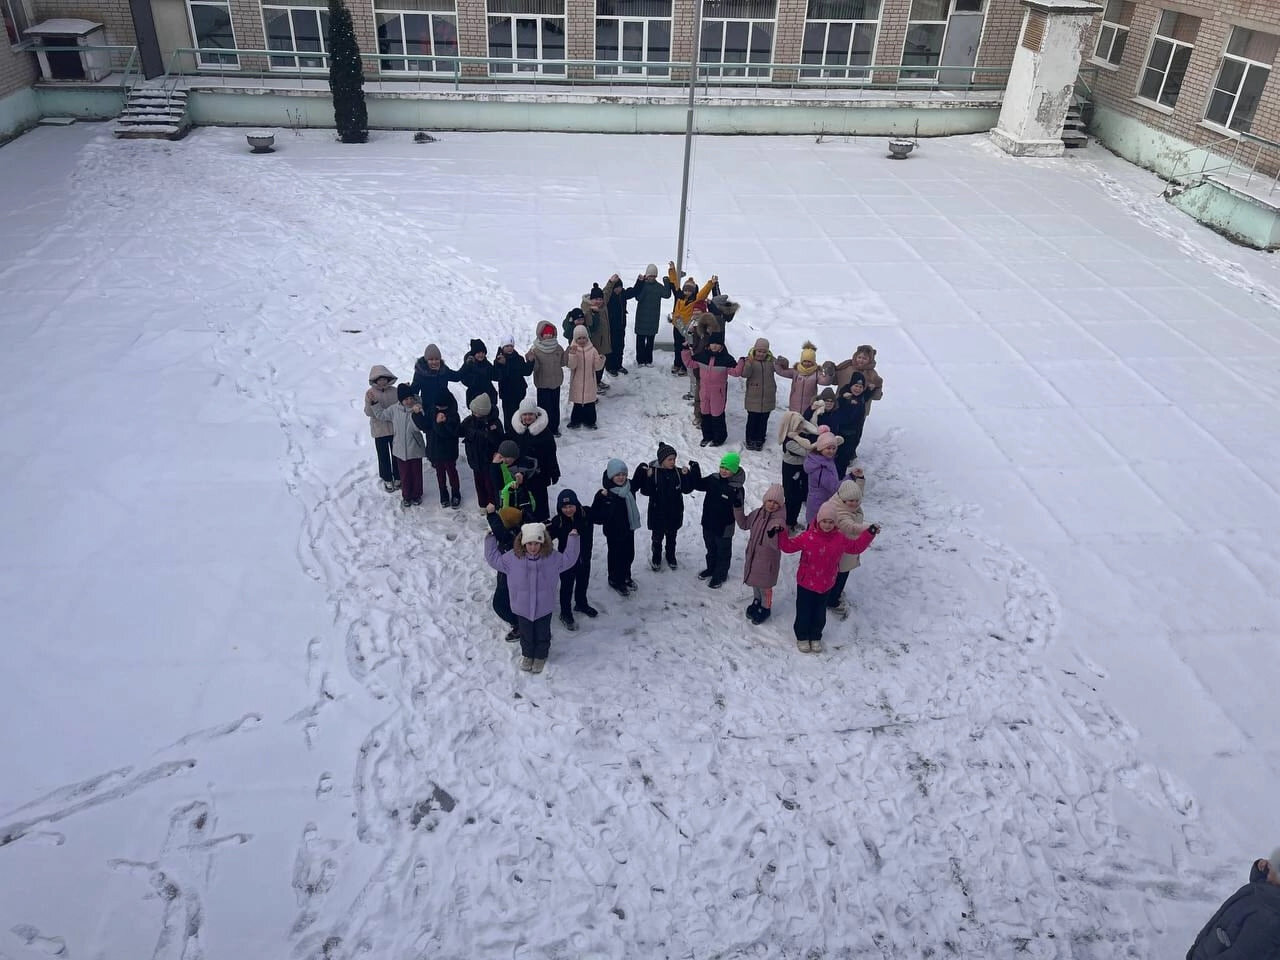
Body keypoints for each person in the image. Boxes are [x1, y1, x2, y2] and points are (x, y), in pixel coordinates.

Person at [776, 506, 879, 653]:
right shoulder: (808, 537)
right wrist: (781, 533)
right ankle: (802, 636)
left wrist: (869, 533)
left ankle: (816, 635)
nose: (827, 525)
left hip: (826, 584)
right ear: (818, 521)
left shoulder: (839, 539)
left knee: (819, 613)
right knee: (804, 612)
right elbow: (788, 547)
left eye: (831, 522)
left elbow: (856, 547)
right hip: (806, 583)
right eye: (824, 521)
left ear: (835, 523)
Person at [484, 520, 580, 674]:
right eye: (529, 543)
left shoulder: (552, 558)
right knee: (526, 635)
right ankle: (528, 655)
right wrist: (490, 539)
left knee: (543, 634)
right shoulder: (512, 558)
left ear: (543, 543)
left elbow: (569, 559)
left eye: (537, 543)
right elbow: (494, 560)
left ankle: (541, 656)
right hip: (522, 607)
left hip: (544, 607)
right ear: (523, 543)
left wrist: (574, 539)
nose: (533, 547)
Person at [1186, 851, 1280, 959]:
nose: (1269, 865)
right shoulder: (1267, 892)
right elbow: (1259, 886)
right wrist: (1262, 872)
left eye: (1274, 866)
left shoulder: (1270, 918)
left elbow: (1242, 955)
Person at [635, 441, 699, 571]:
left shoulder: (678, 473)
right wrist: (648, 478)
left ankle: (670, 556)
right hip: (657, 513)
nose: (673, 462)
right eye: (669, 459)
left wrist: (686, 476)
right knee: (657, 538)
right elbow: (646, 492)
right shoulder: (654, 472)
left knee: (672, 538)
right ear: (661, 460)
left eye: (674, 459)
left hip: (674, 513)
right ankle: (656, 557)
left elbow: (687, 489)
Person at [692, 451, 746, 589]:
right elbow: (698, 484)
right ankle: (711, 569)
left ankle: (720, 575)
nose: (723, 470)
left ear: (734, 470)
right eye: (722, 466)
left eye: (727, 468)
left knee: (723, 552)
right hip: (708, 523)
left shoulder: (736, 489)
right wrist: (695, 469)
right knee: (710, 548)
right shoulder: (713, 479)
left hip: (724, 527)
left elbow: (738, 509)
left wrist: (738, 504)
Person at [546, 489, 598, 631]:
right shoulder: (558, 521)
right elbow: (546, 538)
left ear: (576, 504)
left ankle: (581, 603)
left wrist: (600, 495)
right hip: (567, 562)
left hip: (584, 558)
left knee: (583, 582)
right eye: (564, 507)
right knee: (566, 587)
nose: (568, 510)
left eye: (571, 506)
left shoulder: (586, 514)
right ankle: (565, 613)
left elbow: (601, 515)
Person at [591, 458, 644, 596]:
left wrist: (643, 468)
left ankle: (626, 576)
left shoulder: (629, 486)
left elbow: (639, 480)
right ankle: (615, 580)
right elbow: (595, 515)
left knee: (629, 554)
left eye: (623, 474)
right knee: (616, 557)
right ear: (611, 476)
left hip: (628, 528)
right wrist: (602, 499)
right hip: (613, 532)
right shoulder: (606, 493)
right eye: (617, 475)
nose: (621, 478)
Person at [735, 484, 785, 625]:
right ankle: (756, 600)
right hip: (754, 556)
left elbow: (776, 544)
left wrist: (775, 533)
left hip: (768, 562)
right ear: (764, 500)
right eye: (770, 501)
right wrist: (738, 508)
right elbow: (744, 524)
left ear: (780, 505)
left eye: (776, 503)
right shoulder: (757, 513)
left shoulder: (779, 522)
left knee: (765, 587)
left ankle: (766, 607)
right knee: (755, 583)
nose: (772, 505)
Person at [373, 384, 429, 508]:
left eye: (411, 398)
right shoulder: (394, 409)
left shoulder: (417, 409)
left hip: (415, 448)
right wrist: (374, 404)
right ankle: (406, 496)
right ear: (400, 400)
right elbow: (381, 415)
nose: (409, 401)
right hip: (400, 449)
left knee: (416, 473)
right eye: (405, 399)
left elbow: (422, 425)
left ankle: (417, 494)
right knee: (404, 474)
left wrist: (418, 411)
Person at [823, 472, 867, 619]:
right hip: (842, 554)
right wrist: (868, 529)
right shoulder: (839, 512)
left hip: (848, 548)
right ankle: (832, 600)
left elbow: (857, 493)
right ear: (842, 499)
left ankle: (833, 593)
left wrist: (859, 479)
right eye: (851, 501)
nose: (854, 503)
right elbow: (850, 526)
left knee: (840, 575)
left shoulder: (844, 499)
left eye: (856, 501)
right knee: (840, 575)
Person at [511, 397, 558, 523]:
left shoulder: (545, 433)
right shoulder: (516, 431)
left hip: (539, 473)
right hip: (521, 472)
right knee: (523, 496)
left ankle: (542, 519)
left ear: (536, 415)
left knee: (540, 497)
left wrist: (554, 471)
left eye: (530, 414)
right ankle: (526, 518)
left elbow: (551, 454)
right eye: (525, 414)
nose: (527, 417)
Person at [687, 331, 736, 447]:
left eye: (717, 344)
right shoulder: (702, 356)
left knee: (717, 415)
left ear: (722, 346)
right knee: (705, 414)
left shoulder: (726, 359)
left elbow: (735, 372)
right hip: (704, 392)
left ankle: (719, 438)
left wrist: (742, 363)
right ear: (708, 345)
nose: (714, 346)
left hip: (718, 394)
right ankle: (707, 436)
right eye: (712, 343)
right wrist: (685, 351)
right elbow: (690, 363)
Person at [665, 261, 715, 375]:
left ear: (693, 291)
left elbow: (703, 293)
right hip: (677, 326)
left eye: (689, 290)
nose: (687, 292)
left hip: (687, 328)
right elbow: (674, 283)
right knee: (677, 346)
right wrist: (672, 270)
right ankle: (677, 363)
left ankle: (684, 366)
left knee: (686, 348)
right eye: (685, 289)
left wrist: (710, 283)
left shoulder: (695, 299)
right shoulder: (679, 296)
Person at [484, 504, 525, 643]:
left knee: (499, 604)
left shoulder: (510, 538)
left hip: (508, 578)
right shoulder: (522, 532)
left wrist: (491, 515)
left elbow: (500, 531)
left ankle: (520, 625)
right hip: (511, 577)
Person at [460, 394, 505, 510]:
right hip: (475, 458)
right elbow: (460, 430)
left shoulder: (494, 423)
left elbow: (499, 439)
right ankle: (482, 504)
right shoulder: (470, 420)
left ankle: (493, 503)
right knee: (479, 483)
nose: (473, 413)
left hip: (488, 460)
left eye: (475, 412)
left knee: (490, 483)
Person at [732, 339, 777, 451]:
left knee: (763, 420)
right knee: (752, 419)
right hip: (753, 397)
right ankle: (750, 439)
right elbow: (745, 374)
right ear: (755, 350)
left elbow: (781, 369)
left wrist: (783, 361)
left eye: (764, 352)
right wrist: (748, 364)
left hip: (768, 397)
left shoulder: (771, 361)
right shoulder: (750, 361)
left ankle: (759, 439)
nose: (761, 354)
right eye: (759, 351)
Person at [778, 410, 819, 532]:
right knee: (791, 497)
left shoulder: (800, 436)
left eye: (802, 423)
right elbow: (807, 451)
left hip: (800, 468)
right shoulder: (789, 441)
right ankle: (788, 523)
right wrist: (818, 445)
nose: (802, 426)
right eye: (798, 424)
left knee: (798, 496)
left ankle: (793, 521)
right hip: (791, 469)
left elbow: (813, 431)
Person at [525, 320, 566, 438]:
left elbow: (562, 362)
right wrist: (531, 359)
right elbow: (535, 368)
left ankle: (554, 427)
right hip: (543, 384)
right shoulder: (536, 349)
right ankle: (544, 428)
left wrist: (568, 353)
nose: (548, 335)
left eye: (550, 333)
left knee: (554, 407)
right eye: (545, 333)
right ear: (540, 334)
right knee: (544, 408)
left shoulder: (558, 347)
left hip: (555, 382)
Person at [364, 365, 400, 492]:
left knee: (396, 454)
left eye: (384, 379)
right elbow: (368, 412)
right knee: (383, 456)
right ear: (374, 380)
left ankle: (398, 476)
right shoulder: (370, 393)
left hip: (394, 428)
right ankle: (387, 478)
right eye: (379, 379)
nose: (382, 382)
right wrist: (372, 402)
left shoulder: (395, 391)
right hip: (379, 430)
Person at [628, 263, 671, 367]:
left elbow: (667, 294)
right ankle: (640, 360)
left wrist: (666, 281)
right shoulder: (642, 285)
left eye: (654, 276)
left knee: (650, 342)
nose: (652, 278)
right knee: (640, 341)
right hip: (641, 318)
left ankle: (648, 360)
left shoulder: (658, 287)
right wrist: (641, 283)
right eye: (650, 275)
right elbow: (638, 297)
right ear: (646, 275)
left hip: (653, 319)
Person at [775, 341, 833, 414]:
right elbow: (781, 372)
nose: (807, 363)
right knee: (795, 424)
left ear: (813, 362)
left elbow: (825, 381)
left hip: (809, 408)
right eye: (805, 361)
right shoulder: (796, 372)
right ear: (801, 361)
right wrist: (778, 363)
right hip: (794, 407)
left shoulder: (816, 374)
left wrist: (829, 374)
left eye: (809, 361)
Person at [566, 323, 605, 430]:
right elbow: (571, 365)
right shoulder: (572, 350)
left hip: (589, 382)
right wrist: (573, 355)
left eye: (584, 338)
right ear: (575, 339)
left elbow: (597, 367)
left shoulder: (592, 350)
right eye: (579, 338)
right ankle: (575, 421)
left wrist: (600, 360)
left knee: (590, 405)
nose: (582, 340)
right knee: (577, 404)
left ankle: (590, 421)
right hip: (577, 382)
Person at [425, 396, 462, 509]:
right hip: (436, 451)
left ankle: (456, 492)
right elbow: (424, 426)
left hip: (449, 451)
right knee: (440, 473)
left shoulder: (453, 415)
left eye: (443, 407)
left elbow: (452, 431)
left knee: (452, 472)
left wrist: (443, 422)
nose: (440, 409)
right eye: (438, 407)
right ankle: (443, 492)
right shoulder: (431, 413)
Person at [492, 334, 532, 432]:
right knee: (509, 416)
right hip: (507, 394)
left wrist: (531, 362)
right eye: (507, 346)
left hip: (519, 392)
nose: (509, 348)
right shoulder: (499, 360)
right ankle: (510, 435)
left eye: (511, 346)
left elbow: (526, 372)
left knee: (520, 414)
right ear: (503, 347)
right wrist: (504, 365)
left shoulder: (519, 358)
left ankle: (521, 433)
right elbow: (499, 376)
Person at [803, 428, 843, 527]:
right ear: (820, 448)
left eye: (834, 448)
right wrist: (850, 479)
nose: (831, 451)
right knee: (815, 531)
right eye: (828, 448)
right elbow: (833, 487)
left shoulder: (825, 460)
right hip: (819, 505)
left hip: (823, 502)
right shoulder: (820, 467)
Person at [835, 374, 871, 475]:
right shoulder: (844, 397)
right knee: (836, 460)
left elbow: (868, 394)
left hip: (853, 435)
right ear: (850, 385)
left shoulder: (862, 397)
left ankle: (840, 480)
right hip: (841, 434)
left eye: (860, 387)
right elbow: (836, 407)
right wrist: (844, 398)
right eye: (855, 386)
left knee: (844, 461)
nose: (858, 389)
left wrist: (870, 388)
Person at [491, 439, 537, 517]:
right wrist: (494, 465)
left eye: (508, 457)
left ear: (514, 456)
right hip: (504, 501)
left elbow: (528, 483)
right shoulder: (500, 465)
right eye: (502, 457)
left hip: (517, 504)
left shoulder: (522, 466)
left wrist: (521, 480)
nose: (504, 460)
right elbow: (497, 484)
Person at [835, 344, 884, 418]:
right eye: (859, 357)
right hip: (840, 406)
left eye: (864, 358)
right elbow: (833, 381)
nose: (861, 360)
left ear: (870, 360)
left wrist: (878, 386)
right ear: (855, 356)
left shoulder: (872, 375)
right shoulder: (846, 367)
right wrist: (830, 372)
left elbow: (876, 397)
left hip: (859, 411)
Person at [410, 343, 460, 411]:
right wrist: (406, 390)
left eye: (436, 359)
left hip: (445, 406)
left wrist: (468, 364)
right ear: (426, 360)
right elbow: (414, 391)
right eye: (431, 359)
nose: (434, 362)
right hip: (429, 408)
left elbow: (457, 377)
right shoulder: (420, 373)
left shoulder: (443, 370)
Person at [583, 283, 612, 393]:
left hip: (604, 342)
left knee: (602, 363)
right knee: (593, 366)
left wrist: (611, 282)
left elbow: (606, 293)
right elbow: (590, 326)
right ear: (591, 299)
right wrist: (593, 312)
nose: (598, 301)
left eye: (600, 299)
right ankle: (593, 384)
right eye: (595, 299)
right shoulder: (587, 309)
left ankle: (598, 381)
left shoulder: (603, 306)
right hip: (594, 344)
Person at [603, 274, 631, 376]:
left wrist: (640, 281)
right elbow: (604, 293)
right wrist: (610, 282)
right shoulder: (609, 297)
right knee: (611, 348)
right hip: (611, 328)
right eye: (616, 287)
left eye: (620, 287)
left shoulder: (623, 294)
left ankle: (618, 365)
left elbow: (634, 291)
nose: (618, 289)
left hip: (621, 326)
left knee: (620, 346)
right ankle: (610, 367)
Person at [458, 339, 498, 408]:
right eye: (478, 353)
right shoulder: (469, 364)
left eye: (483, 353)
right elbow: (462, 377)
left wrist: (498, 364)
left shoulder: (486, 364)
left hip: (488, 396)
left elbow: (495, 376)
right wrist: (474, 379)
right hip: (475, 397)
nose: (481, 355)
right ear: (474, 354)